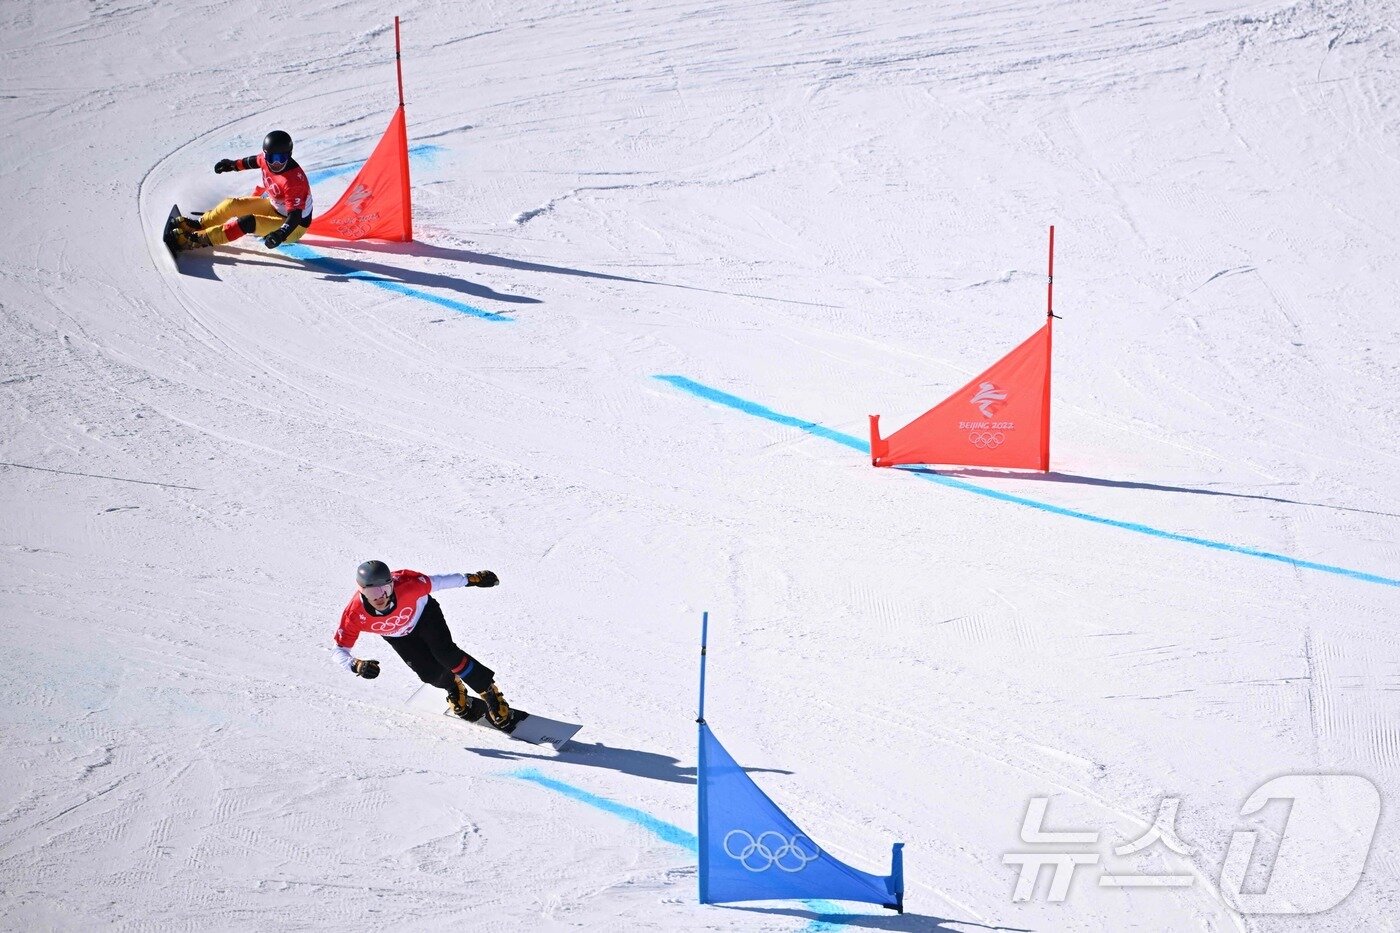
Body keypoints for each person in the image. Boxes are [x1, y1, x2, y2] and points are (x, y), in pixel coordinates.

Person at [334, 559, 514, 727]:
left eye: (386, 590)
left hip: (425, 617)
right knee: (430, 674)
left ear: (392, 585)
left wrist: (473, 579)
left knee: (446, 654)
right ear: (361, 591)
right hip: (399, 636)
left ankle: (488, 691)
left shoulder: (407, 585)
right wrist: (355, 665)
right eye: (372, 592)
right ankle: (453, 686)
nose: (380, 597)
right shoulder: (354, 615)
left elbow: (439, 582)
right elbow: (339, 651)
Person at [171, 130, 313, 252]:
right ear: (265, 154)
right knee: (232, 204)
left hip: (294, 226)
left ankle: (196, 240)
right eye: (271, 158)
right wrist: (232, 165)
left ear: (289, 155)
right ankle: (200, 225)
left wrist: (280, 234)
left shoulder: (293, 181)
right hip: (274, 207)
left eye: (281, 158)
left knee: (248, 222)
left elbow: (295, 216)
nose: (276, 163)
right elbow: (252, 161)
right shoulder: (264, 159)